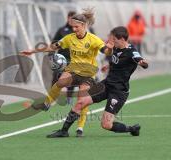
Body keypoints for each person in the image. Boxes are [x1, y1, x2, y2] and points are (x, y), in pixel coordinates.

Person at [21, 7, 113, 136]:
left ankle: (80, 128)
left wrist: (109, 49)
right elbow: (52, 46)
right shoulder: (69, 38)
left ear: (84, 25)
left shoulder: (94, 39)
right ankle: (47, 103)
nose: (74, 29)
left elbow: (105, 51)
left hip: (88, 74)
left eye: (76, 27)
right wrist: (32, 51)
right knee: (60, 82)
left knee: (81, 101)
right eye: (72, 27)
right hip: (73, 70)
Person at [47, 26, 149, 138]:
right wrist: (108, 66)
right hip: (106, 84)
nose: (112, 41)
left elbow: (142, 62)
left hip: (119, 91)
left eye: (114, 39)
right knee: (81, 102)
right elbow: (118, 61)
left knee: (106, 124)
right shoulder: (115, 48)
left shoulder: (132, 52)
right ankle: (64, 131)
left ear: (122, 39)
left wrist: (143, 63)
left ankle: (131, 129)